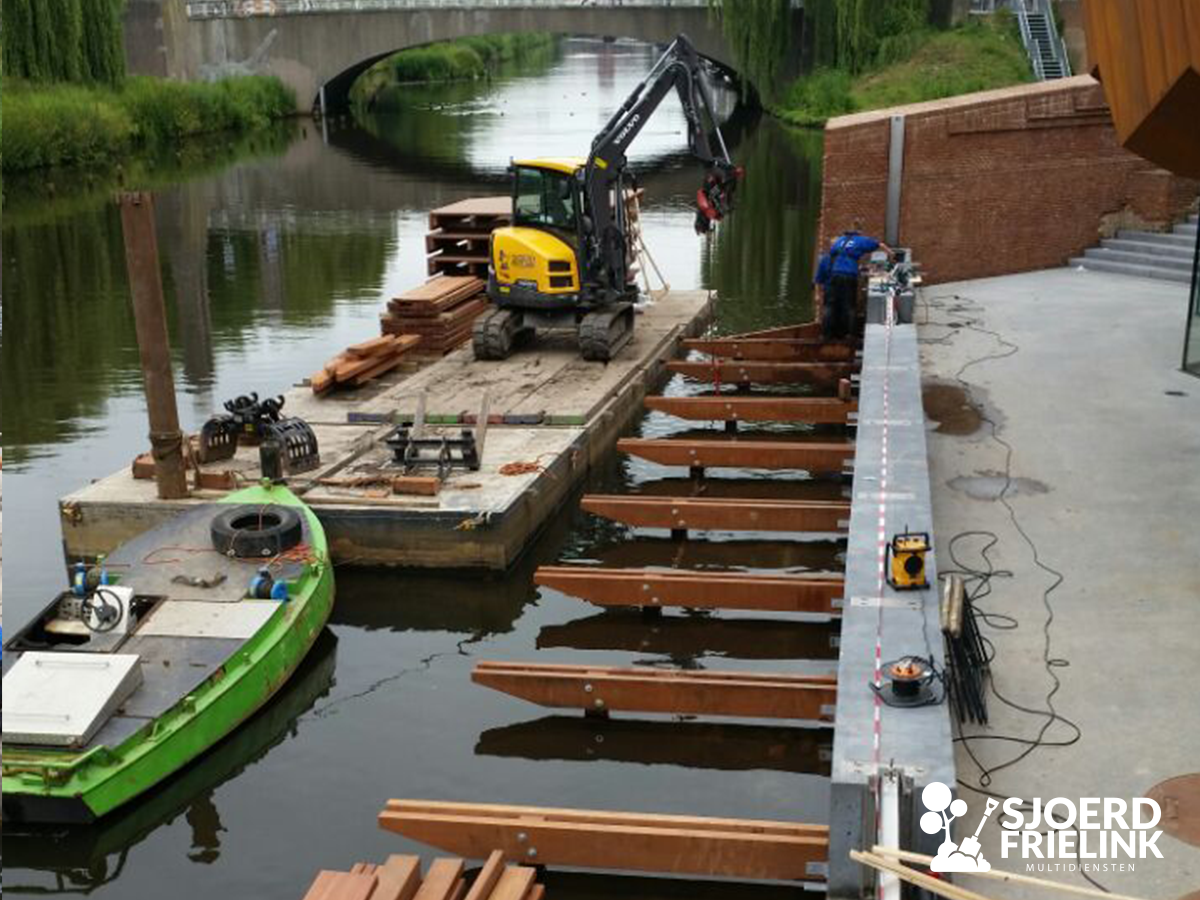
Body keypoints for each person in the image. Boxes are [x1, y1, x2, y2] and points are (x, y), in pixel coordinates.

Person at [822, 221, 894, 340]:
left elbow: (833, 255)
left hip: (835, 275)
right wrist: (891, 254)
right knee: (849, 305)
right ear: (859, 231)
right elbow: (879, 244)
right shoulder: (860, 240)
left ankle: (826, 334)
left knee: (831, 305)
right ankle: (850, 334)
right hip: (849, 275)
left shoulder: (840, 241)